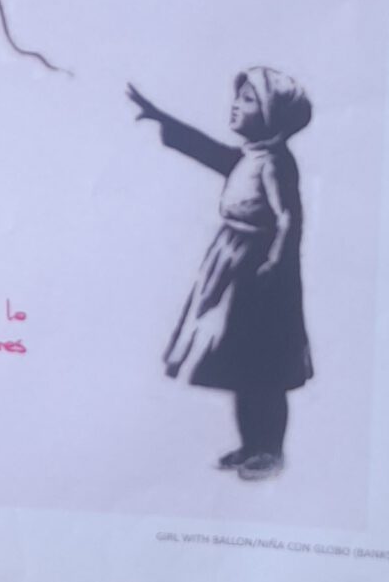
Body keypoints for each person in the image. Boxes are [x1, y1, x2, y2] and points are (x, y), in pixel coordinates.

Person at [128, 67, 313, 481]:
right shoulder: (250, 157)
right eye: (238, 97)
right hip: (232, 262)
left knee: (264, 367)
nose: (235, 105)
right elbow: (211, 152)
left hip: (260, 270)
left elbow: (288, 219)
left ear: (272, 113)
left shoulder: (275, 162)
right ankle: (251, 445)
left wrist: (274, 263)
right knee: (241, 364)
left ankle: (269, 449)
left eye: (248, 100)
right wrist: (163, 119)